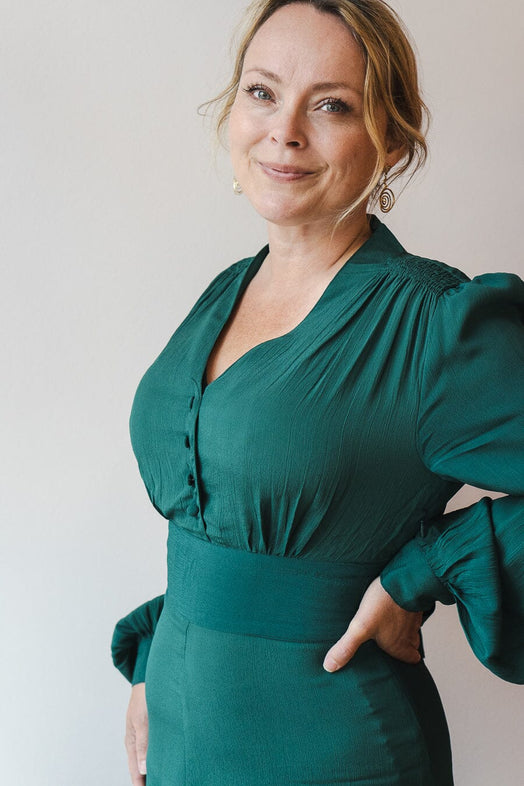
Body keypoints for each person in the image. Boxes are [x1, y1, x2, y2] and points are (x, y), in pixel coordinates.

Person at [111, 1, 524, 784]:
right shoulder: (225, 292)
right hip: (183, 742)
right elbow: (222, 531)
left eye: (331, 105)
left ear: (391, 140)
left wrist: (430, 566)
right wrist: (160, 653)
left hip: (339, 749)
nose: (285, 131)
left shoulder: (432, 324)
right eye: (262, 92)